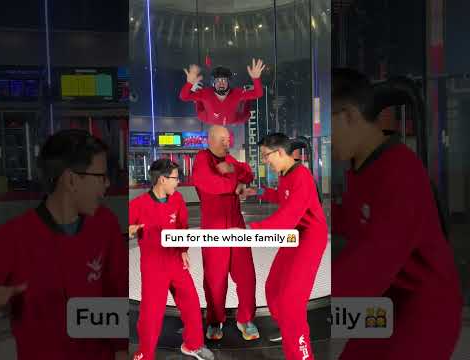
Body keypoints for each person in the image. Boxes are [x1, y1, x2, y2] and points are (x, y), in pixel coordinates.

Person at [331, 68, 463, 359]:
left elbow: (370, 261)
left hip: (425, 310)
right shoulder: (360, 168)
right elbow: (353, 220)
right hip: (388, 301)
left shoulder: (400, 173)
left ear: (349, 116)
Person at [0, 129, 128, 360]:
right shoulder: (12, 238)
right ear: (72, 179)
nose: (106, 185)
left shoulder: (105, 224)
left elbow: (116, 288)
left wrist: (121, 349)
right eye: (100, 177)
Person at [241, 133, 328, 360]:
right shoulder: (285, 174)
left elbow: (287, 218)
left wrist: (252, 230)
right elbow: (283, 197)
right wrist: (257, 191)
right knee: (273, 288)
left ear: (279, 152)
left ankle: (301, 353)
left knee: (292, 302)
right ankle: (289, 328)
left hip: (309, 238)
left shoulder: (302, 175)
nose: (265, 161)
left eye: (266, 156)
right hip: (294, 236)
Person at [130, 159, 214, 360]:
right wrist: (132, 229)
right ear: (162, 179)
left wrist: (184, 249)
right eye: (176, 178)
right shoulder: (137, 205)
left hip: (176, 261)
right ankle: (144, 354)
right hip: (154, 266)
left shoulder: (177, 200)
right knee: (151, 315)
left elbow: (183, 227)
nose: (178, 182)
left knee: (192, 304)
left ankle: (193, 345)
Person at [192, 125, 259, 341]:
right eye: (221, 139)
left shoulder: (230, 161)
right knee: (215, 279)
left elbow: (248, 172)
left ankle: (245, 318)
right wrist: (237, 185)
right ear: (210, 140)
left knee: (247, 275)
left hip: (236, 226)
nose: (226, 143)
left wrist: (233, 171)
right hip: (214, 228)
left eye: (227, 139)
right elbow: (211, 184)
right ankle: (214, 320)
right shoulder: (202, 160)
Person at [179, 59, 265, 125]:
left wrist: (256, 78)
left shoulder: (236, 93)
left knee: (246, 116)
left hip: (233, 119)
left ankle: (247, 98)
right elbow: (184, 97)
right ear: (213, 82)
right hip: (208, 118)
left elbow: (258, 94)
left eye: (224, 80)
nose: (221, 83)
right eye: (218, 80)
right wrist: (189, 83)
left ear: (228, 82)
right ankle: (197, 91)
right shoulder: (206, 93)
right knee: (199, 107)